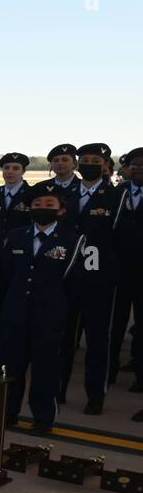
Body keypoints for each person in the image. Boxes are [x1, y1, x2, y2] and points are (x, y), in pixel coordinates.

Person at [0, 191, 81, 433]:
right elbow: (8, 273)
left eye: (49, 204)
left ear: (61, 210)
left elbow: (72, 282)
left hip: (49, 315)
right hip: (16, 313)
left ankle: (43, 418)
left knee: (46, 369)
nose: (42, 207)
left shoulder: (71, 240)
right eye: (37, 204)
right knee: (10, 368)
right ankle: (7, 413)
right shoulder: (14, 237)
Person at [59, 143, 121, 413]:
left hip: (99, 281)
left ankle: (95, 396)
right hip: (70, 278)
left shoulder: (116, 196)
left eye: (95, 160)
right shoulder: (65, 193)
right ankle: (58, 390)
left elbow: (121, 239)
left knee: (97, 342)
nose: (89, 164)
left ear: (105, 164)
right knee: (64, 340)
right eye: (84, 159)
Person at [0, 152, 33, 366]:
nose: (10, 172)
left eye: (15, 168)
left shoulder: (31, 194)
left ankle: (16, 353)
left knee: (17, 306)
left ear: (23, 172)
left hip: (19, 255)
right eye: (7, 168)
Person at [109, 147, 143, 390]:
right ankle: (108, 372)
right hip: (119, 270)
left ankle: (140, 376)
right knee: (115, 323)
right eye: (135, 165)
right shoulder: (118, 192)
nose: (138, 169)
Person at [32, 144, 83, 235]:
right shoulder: (41, 187)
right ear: (51, 164)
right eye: (56, 160)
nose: (60, 163)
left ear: (75, 163)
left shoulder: (83, 187)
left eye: (65, 159)